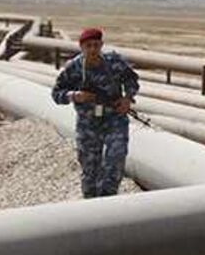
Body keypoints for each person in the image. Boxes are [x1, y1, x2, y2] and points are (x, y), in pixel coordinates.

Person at [51, 27, 141, 198]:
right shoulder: (74, 68)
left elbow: (132, 80)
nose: (92, 50)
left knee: (116, 157)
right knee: (90, 167)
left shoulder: (114, 62)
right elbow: (56, 94)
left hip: (114, 119)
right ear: (81, 47)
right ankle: (91, 203)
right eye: (88, 46)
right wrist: (75, 96)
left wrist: (127, 99)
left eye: (96, 45)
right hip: (88, 124)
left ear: (101, 45)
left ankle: (108, 197)